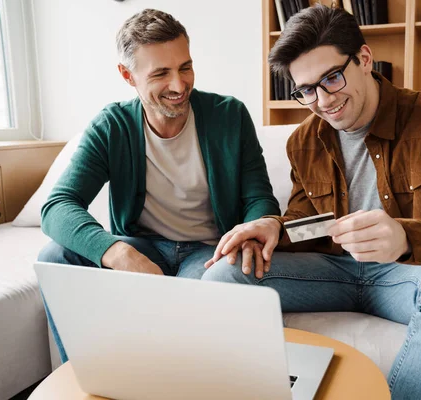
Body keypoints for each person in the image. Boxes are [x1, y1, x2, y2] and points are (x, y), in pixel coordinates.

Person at [202, 5, 421, 400]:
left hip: (405, 275)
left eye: (331, 78)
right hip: (331, 271)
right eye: (306, 90)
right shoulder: (305, 140)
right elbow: (311, 224)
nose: (322, 100)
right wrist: (275, 227)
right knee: (221, 277)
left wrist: (405, 236)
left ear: (364, 59)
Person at [38, 9, 279, 363]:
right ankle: (84, 376)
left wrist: (254, 225)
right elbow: (57, 206)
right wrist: (119, 254)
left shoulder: (229, 115)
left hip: (207, 252)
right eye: (161, 73)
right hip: (143, 246)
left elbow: (259, 197)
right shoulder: (112, 126)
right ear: (127, 75)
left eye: (185, 67)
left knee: (210, 295)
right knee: (54, 257)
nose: (179, 86)